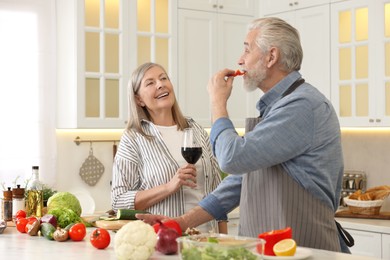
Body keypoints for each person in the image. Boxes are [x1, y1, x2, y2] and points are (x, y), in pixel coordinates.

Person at [137, 18, 350, 253]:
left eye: (247, 49)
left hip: (305, 249)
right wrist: (181, 222)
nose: (240, 59)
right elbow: (241, 182)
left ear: (271, 57)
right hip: (271, 252)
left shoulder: (302, 106)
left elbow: (231, 159)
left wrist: (218, 103)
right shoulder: (278, 108)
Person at [111, 62, 227, 233]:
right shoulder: (133, 139)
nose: (160, 84)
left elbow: (218, 191)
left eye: (164, 78)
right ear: (139, 99)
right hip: (165, 240)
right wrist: (169, 186)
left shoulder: (196, 130)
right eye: (150, 83)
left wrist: (223, 240)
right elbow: (118, 201)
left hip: (207, 240)